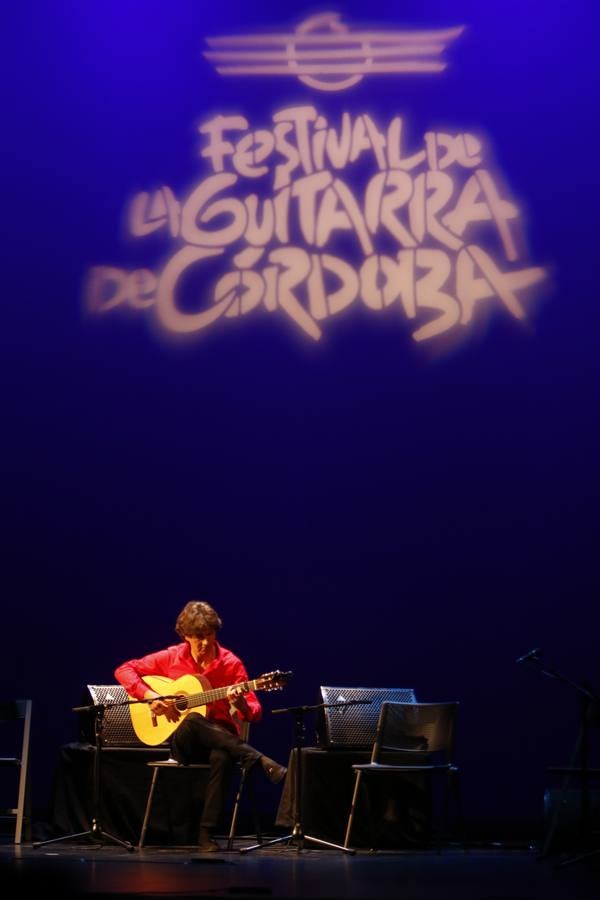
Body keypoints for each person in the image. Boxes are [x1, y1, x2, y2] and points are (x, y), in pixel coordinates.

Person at [114, 599, 287, 852]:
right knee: (194, 719)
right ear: (185, 636)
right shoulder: (172, 656)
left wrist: (240, 704)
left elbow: (255, 712)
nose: (205, 643)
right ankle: (259, 759)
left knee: (223, 756)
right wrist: (151, 697)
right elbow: (124, 669)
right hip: (184, 743)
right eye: (198, 637)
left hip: (222, 740)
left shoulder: (231, 663)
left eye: (209, 635)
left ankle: (206, 835)